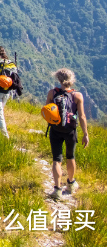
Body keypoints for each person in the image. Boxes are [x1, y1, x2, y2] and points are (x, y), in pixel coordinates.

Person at [46, 68, 89, 201]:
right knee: (71, 157)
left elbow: (47, 112)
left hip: (55, 130)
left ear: (58, 79)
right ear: (71, 79)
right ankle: (71, 183)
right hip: (70, 131)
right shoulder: (78, 96)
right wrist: (85, 134)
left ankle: (57, 190)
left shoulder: (52, 93)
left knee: (56, 159)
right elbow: (82, 116)